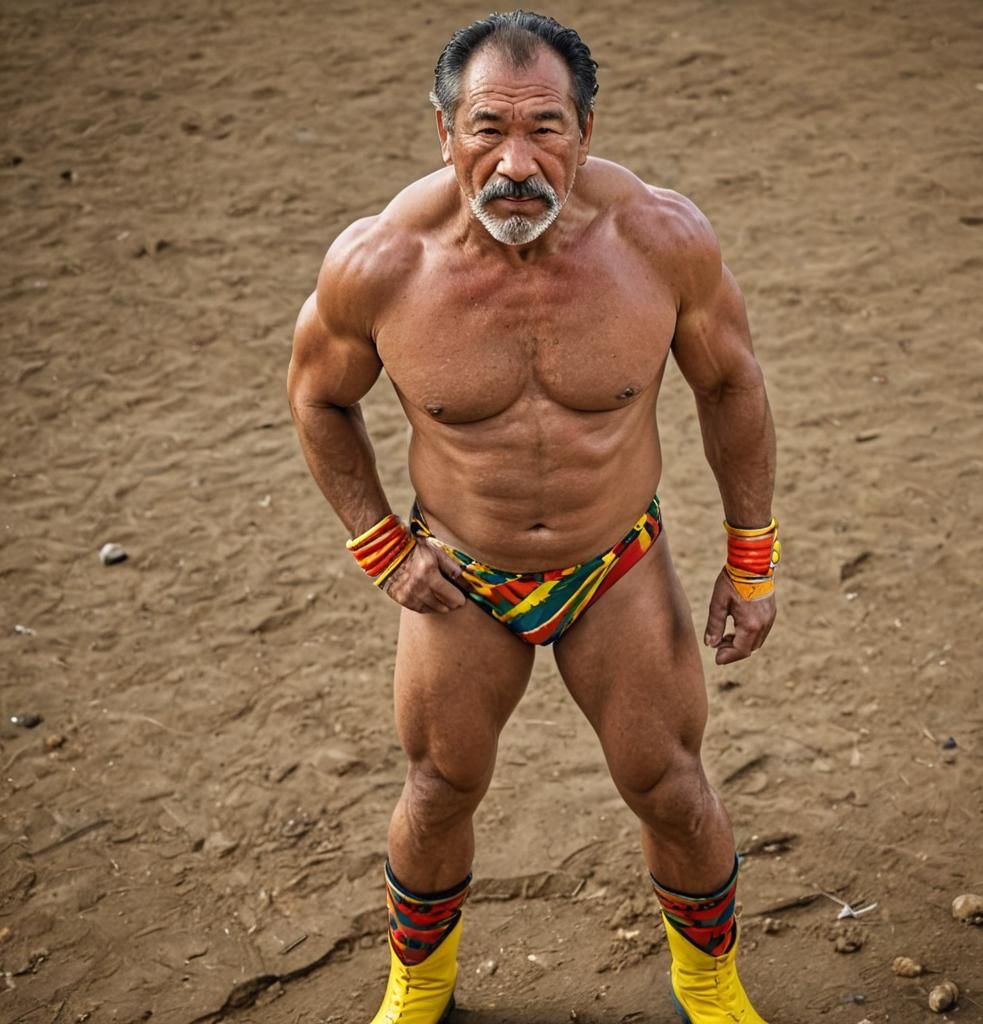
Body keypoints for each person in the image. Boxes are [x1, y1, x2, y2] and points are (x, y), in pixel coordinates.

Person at [287, 11, 780, 1023]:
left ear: (585, 130)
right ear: (444, 131)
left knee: (669, 783)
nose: (516, 163)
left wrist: (752, 559)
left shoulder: (659, 241)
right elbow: (317, 398)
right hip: (461, 572)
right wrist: (380, 545)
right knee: (438, 787)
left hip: (615, 562)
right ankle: (418, 990)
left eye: (545, 128)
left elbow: (730, 384)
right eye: (487, 129)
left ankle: (710, 986)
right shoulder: (381, 263)